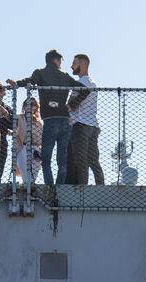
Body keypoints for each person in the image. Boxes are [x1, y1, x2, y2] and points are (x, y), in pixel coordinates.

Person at [8, 49, 86, 186]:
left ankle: (50, 187)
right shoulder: (65, 76)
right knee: (62, 159)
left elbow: (29, 81)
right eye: (60, 60)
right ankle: (59, 186)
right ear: (55, 60)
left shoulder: (40, 73)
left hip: (50, 120)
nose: (61, 63)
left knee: (46, 158)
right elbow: (85, 89)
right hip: (64, 119)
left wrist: (16, 83)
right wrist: (72, 105)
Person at [67, 54, 105, 186]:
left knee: (81, 162)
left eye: (74, 63)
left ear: (82, 64)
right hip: (93, 125)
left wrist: (67, 106)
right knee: (94, 161)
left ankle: (83, 191)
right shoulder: (92, 82)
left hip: (81, 125)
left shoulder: (82, 82)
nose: (71, 66)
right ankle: (101, 187)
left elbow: (72, 105)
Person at [17, 98, 43, 186]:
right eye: (27, 104)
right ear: (24, 106)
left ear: (36, 107)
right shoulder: (19, 118)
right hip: (23, 146)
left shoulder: (39, 122)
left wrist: (40, 151)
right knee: (25, 172)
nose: (30, 107)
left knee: (33, 176)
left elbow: (41, 139)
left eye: (33, 105)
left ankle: (29, 191)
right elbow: (13, 130)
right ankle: (27, 190)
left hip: (36, 149)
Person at [0, 82, 13, 180]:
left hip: (2, 140)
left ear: (4, 92)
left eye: (1, 89)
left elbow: (14, 124)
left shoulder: (7, 108)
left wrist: (5, 114)